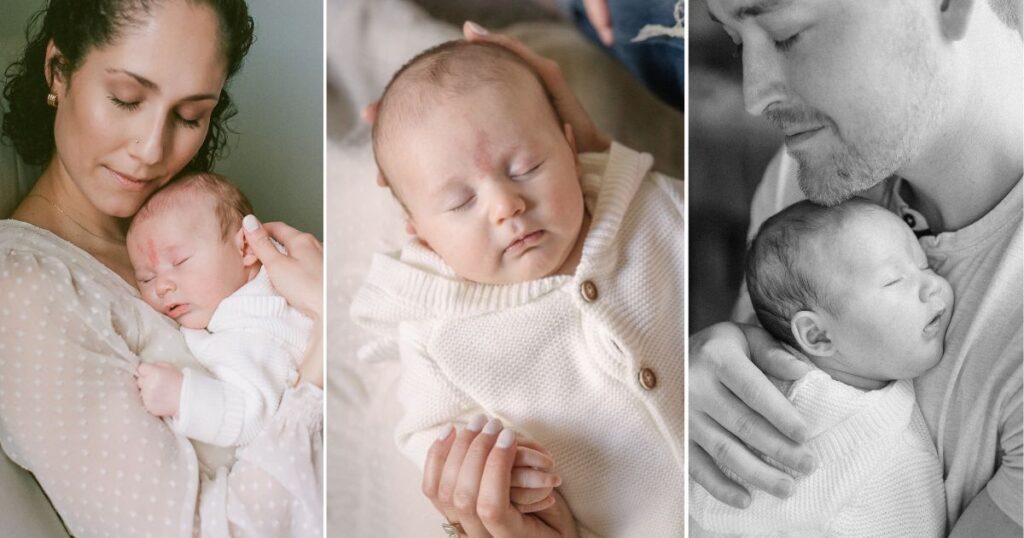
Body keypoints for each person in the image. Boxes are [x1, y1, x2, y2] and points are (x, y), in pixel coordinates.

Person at [689, 0, 1022, 535]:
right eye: (735, 41)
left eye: (786, 34)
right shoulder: (811, 178)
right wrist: (711, 390)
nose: (754, 97)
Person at [0, 1, 324, 535]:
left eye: (189, 115)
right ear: (58, 70)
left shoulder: (191, 229)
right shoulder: (25, 290)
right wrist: (324, 348)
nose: (152, 150)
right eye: (126, 99)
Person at [351, 38, 684, 537]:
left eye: (526, 168)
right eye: (461, 201)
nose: (506, 205)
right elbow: (429, 436)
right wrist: (500, 473)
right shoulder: (438, 332)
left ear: (571, 151)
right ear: (419, 230)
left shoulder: (652, 206)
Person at [691, 199, 949, 536]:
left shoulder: (867, 371)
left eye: (925, 265)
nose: (932, 284)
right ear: (817, 335)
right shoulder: (819, 422)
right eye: (893, 281)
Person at [127, 173, 313, 448]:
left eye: (179, 261)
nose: (162, 286)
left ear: (246, 248)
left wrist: (182, 397)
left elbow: (256, 418)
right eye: (146, 278)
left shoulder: (255, 328)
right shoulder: (267, 290)